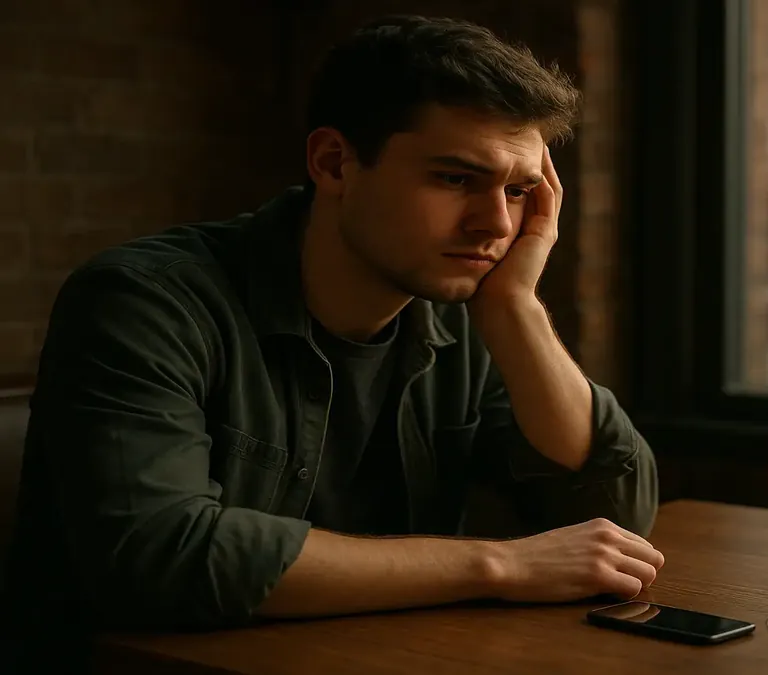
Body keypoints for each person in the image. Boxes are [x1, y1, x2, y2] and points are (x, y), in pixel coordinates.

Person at [2, 13, 661, 658]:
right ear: (334, 163)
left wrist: (518, 309)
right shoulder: (143, 301)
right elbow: (159, 556)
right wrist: (496, 565)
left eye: (519, 191)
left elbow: (615, 516)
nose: (495, 224)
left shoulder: (470, 314)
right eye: (456, 178)